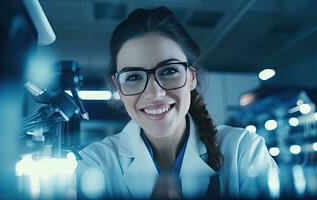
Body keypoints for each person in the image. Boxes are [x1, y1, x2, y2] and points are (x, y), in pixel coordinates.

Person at [77, 6, 279, 199]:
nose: (155, 93)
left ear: (191, 76)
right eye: (133, 77)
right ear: (118, 87)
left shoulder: (244, 151)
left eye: (168, 71)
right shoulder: (96, 164)